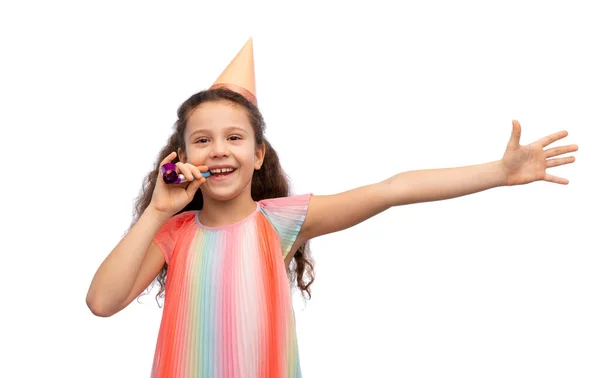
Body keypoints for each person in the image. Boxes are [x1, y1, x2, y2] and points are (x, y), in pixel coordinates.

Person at [85, 38, 578, 378]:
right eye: (202, 140)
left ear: (257, 155)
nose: (218, 150)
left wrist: (498, 172)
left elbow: (392, 189)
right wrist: (155, 211)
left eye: (234, 138)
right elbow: (102, 303)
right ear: (182, 156)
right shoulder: (173, 233)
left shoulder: (281, 222)